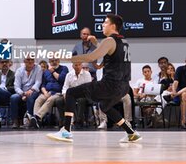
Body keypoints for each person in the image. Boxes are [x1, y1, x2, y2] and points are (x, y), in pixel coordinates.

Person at [47, 14, 141, 143]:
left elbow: (91, 57)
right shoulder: (124, 42)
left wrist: (63, 58)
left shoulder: (109, 41)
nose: (102, 24)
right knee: (105, 106)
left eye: (105, 22)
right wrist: (97, 43)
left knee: (71, 92)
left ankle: (66, 131)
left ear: (113, 26)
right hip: (124, 87)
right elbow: (108, 55)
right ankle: (131, 133)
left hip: (110, 84)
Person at [163, 53, 186, 129]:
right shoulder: (180, 69)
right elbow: (175, 82)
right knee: (184, 94)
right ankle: (183, 122)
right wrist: (173, 90)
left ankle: (172, 96)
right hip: (181, 94)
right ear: (185, 61)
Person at [30, 58, 68, 129]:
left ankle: (37, 117)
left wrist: (53, 72)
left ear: (59, 61)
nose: (54, 62)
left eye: (56, 60)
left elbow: (61, 79)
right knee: (38, 100)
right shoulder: (46, 72)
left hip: (58, 92)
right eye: (52, 61)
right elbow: (43, 84)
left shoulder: (64, 69)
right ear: (49, 62)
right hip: (47, 92)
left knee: (50, 100)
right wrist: (45, 92)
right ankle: (37, 122)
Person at [10, 56, 42, 128]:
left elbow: (38, 82)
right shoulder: (19, 70)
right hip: (22, 92)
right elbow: (16, 86)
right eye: (28, 60)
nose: (30, 61)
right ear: (24, 61)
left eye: (32, 60)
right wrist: (22, 93)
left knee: (30, 96)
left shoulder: (38, 68)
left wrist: (31, 90)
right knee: (13, 97)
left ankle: (30, 120)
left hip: (33, 91)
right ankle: (15, 121)